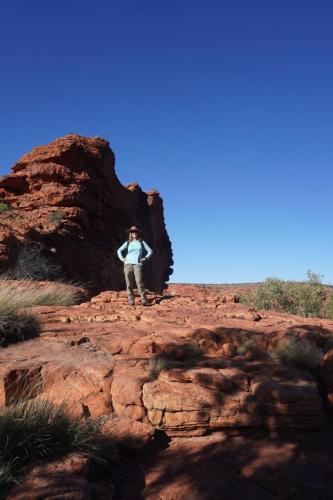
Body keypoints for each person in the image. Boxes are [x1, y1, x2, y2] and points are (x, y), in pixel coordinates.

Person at [117, 225, 153, 306]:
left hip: (138, 264)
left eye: (135, 232)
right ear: (130, 233)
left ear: (138, 233)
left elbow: (150, 251)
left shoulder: (141, 242)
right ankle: (131, 300)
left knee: (139, 282)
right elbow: (119, 250)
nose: (134, 233)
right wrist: (122, 259)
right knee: (129, 283)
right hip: (127, 264)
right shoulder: (128, 242)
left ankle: (144, 300)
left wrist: (145, 258)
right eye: (132, 232)